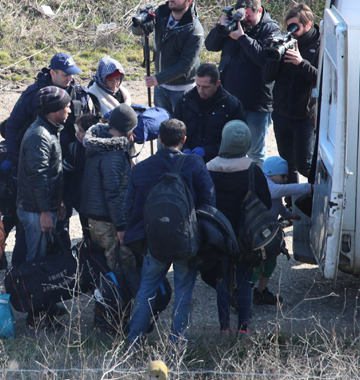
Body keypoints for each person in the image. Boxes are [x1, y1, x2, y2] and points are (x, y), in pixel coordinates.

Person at [126, 119, 216, 344]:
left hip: (155, 242)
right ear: (184, 140)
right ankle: (177, 342)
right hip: (187, 241)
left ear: (159, 140)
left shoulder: (142, 169)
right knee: (184, 291)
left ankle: (134, 340)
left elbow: (130, 209)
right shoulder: (194, 164)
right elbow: (209, 202)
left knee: (146, 290)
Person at [206, 120, 271, 336]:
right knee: (245, 281)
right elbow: (267, 204)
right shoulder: (253, 171)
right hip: (247, 237)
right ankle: (243, 328)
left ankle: (224, 327)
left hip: (219, 236)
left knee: (223, 280)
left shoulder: (209, 168)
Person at [15, 86, 71, 329]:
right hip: (35, 212)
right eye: (66, 106)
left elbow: (50, 174)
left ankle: (45, 309)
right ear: (53, 111)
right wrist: (45, 213)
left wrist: (56, 203)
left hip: (43, 208)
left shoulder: (50, 130)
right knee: (36, 265)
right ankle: (36, 318)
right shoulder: (40, 136)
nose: (69, 109)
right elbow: (37, 179)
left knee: (44, 261)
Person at [205, 0, 281, 165]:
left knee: (254, 153)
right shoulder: (235, 24)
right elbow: (210, 46)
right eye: (242, 15)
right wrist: (220, 28)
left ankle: (255, 189)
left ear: (259, 11)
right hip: (228, 98)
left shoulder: (270, 29)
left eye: (249, 16)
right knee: (225, 146)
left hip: (256, 102)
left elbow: (264, 59)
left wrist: (241, 38)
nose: (244, 21)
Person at [263, 3, 320, 185]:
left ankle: (316, 197)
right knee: (288, 164)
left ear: (308, 24)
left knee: (305, 164)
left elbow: (323, 79)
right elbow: (266, 77)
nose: (292, 31)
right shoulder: (286, 42)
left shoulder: (320, 46)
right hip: (280, 113)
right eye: (289, 27)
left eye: (296, 27)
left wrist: (301, 62)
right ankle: (291, 205)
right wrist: (274, 53)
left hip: (304, 117)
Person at [5, 53, 94, 170]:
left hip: (73, 162)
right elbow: (12, 127)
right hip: (39, 160)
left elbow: (92, 128)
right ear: (53, 73)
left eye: (72, 74)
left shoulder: (80, 96)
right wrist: (16, 162)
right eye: (65, 75)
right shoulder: (32, 95)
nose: (70, 78)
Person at [80, 104, 138, 270]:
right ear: (129, 131)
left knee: (104, 262)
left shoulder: (99, 144)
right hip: (108, 220)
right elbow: (113, 193)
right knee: (118, 264)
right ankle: (118, 294)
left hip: (96, 216)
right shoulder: (114, 154)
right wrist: (121, 226)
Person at [136, 0, 204, 116]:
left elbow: (185, 66)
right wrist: (139, 24)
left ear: (188, 1)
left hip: (182, 89)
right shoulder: (161, 14)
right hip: (161, 87)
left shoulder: (195, 31)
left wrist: (157, 79)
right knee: (160, 127)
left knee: (181, 129)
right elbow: (137, 32)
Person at [253, 156, 312, 306]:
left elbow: (278, 205)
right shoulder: (266, 183)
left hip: (269, 234)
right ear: (272, 173)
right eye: (283, 176)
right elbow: (277, 193)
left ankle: (260, 292)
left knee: (270, 263)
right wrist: (308, 187)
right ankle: (243, 293)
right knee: (255, 266)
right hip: (258, 235)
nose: (286, 179)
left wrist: (288, 215)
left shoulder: (273, 184)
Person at [174, 63, 245, 162]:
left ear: (217, 83)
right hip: (187, 160)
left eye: (205, 87)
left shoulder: (231, 105)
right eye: (198, 85)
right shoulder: (185, 101)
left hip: (219, 162)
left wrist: (208, 151)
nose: (200, 90)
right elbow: (175, 131)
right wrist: (183, 148)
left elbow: (237, 140)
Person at [62, 113, 101, 241]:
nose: (77, 134)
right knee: (88, 234)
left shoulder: (103, 150)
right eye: (77, 130)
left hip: (101, 206)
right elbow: (66, 177)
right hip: (82, 203)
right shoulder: (74, 149)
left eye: (81, 131)